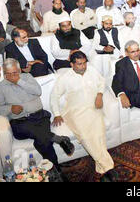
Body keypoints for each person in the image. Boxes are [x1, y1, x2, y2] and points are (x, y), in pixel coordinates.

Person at [0, 58, 74, 170]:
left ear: (20, 70)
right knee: (41, 135)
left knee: (42, 140)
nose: (12, 77)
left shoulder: (27, 77)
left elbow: (38, 91)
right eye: (8, 74)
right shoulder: (0, 87)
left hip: (39, 116)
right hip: (20, 122)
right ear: (4, 73)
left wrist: (19, 81)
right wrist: (10, 108)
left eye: (15, 73)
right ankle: (59, 140)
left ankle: (54, 170)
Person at [51, 51, 117, 182]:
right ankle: (109, 168)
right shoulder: (65, 78)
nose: (83, 66)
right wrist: (57, 114)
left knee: (99, 134)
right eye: (79, 64)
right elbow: (54, 96)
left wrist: (99, 95)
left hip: (94, 108)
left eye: (85, 63)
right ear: (72, 64)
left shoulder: (92, 70)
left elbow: (102, 82)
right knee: (86, 136)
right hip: (74, 112)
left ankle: (102, 167)